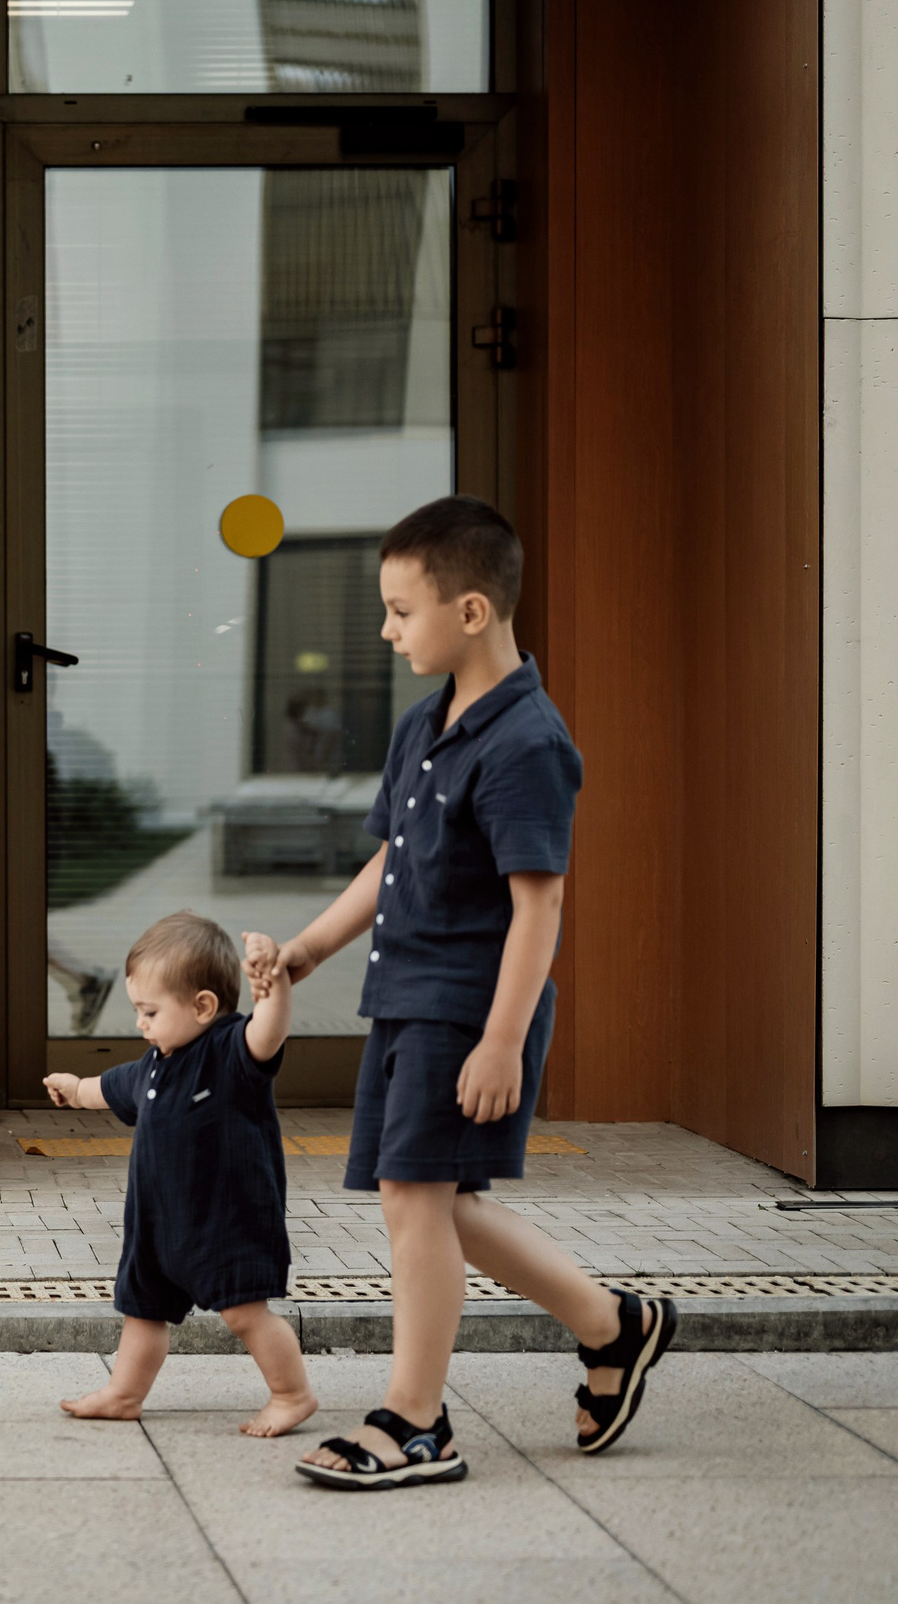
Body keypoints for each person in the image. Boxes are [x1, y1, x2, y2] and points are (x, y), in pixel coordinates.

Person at [250, 495, 675, 1491]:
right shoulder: (423, 721)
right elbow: (391, 856)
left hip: (467, 1010)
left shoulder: (527, 743)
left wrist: (500, 1041)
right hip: (405, 999)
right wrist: (312, 946)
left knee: (414, 1197)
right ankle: (615, 1324)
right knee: (443, 1205)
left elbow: (540, 905)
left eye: (402, 610)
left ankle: (416, 1417)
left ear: (472, 610)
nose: (388, 629)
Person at [45, 910, 317, 1437]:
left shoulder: (229, 1053)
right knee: (142, 1311)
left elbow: (271, 1031)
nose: (139, 1024)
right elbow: (107, 1088)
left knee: (244, 1314)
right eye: (137, 1011)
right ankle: (124, 1394)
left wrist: (274, 985)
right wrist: (74, 1087)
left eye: (149, 1011)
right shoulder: (152, 1066)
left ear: (203, 1006)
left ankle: (292, 1394)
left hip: (226, 1222)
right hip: (157, 1224)